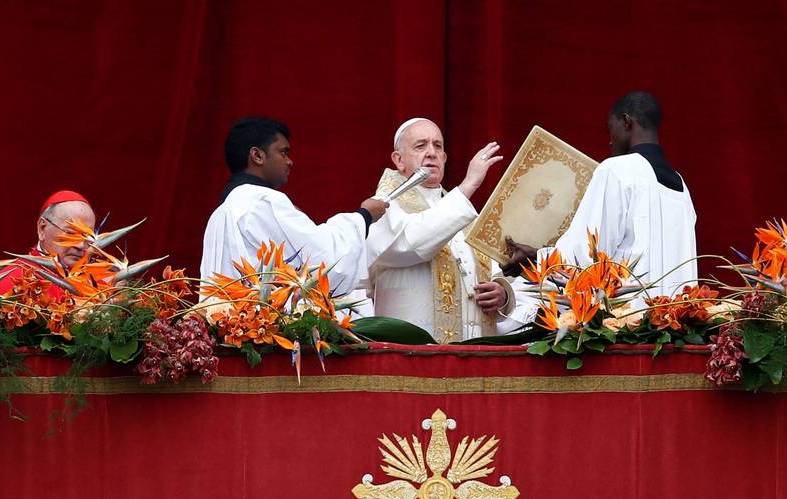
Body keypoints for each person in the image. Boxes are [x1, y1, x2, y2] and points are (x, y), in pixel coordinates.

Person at [503, 91, 697, 305]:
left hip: (627, 324)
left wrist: (536, 258)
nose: (609, 142)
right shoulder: (681, 186)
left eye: (609, 129)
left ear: (626, 121)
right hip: (674, 322)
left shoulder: (616, 169)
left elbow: (587, 256)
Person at [365, 117, 538, 342]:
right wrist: (468, 185)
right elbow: (413, 243)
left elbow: (498, 271)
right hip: (414, 354)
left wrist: (502, 293)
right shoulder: (383, 205)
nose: (431, 153)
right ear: (398, 159)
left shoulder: (462, 212)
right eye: (420, 146)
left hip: (474, 352)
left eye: (438, 146)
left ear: (444, 158)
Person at [199, 117, 388, 297]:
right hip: (265, 327)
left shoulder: (223, 210)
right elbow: (325, 260)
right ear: (257, 155)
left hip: (233, 326)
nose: (290, 161)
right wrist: (364, 216)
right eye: (283, 152)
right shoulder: (262, 201)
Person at [0, 190, 96, 299]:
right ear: (42, 228)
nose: (80, 245)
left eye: (87, 236)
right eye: (71, 233)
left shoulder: (103, 286)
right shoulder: (10, 283)